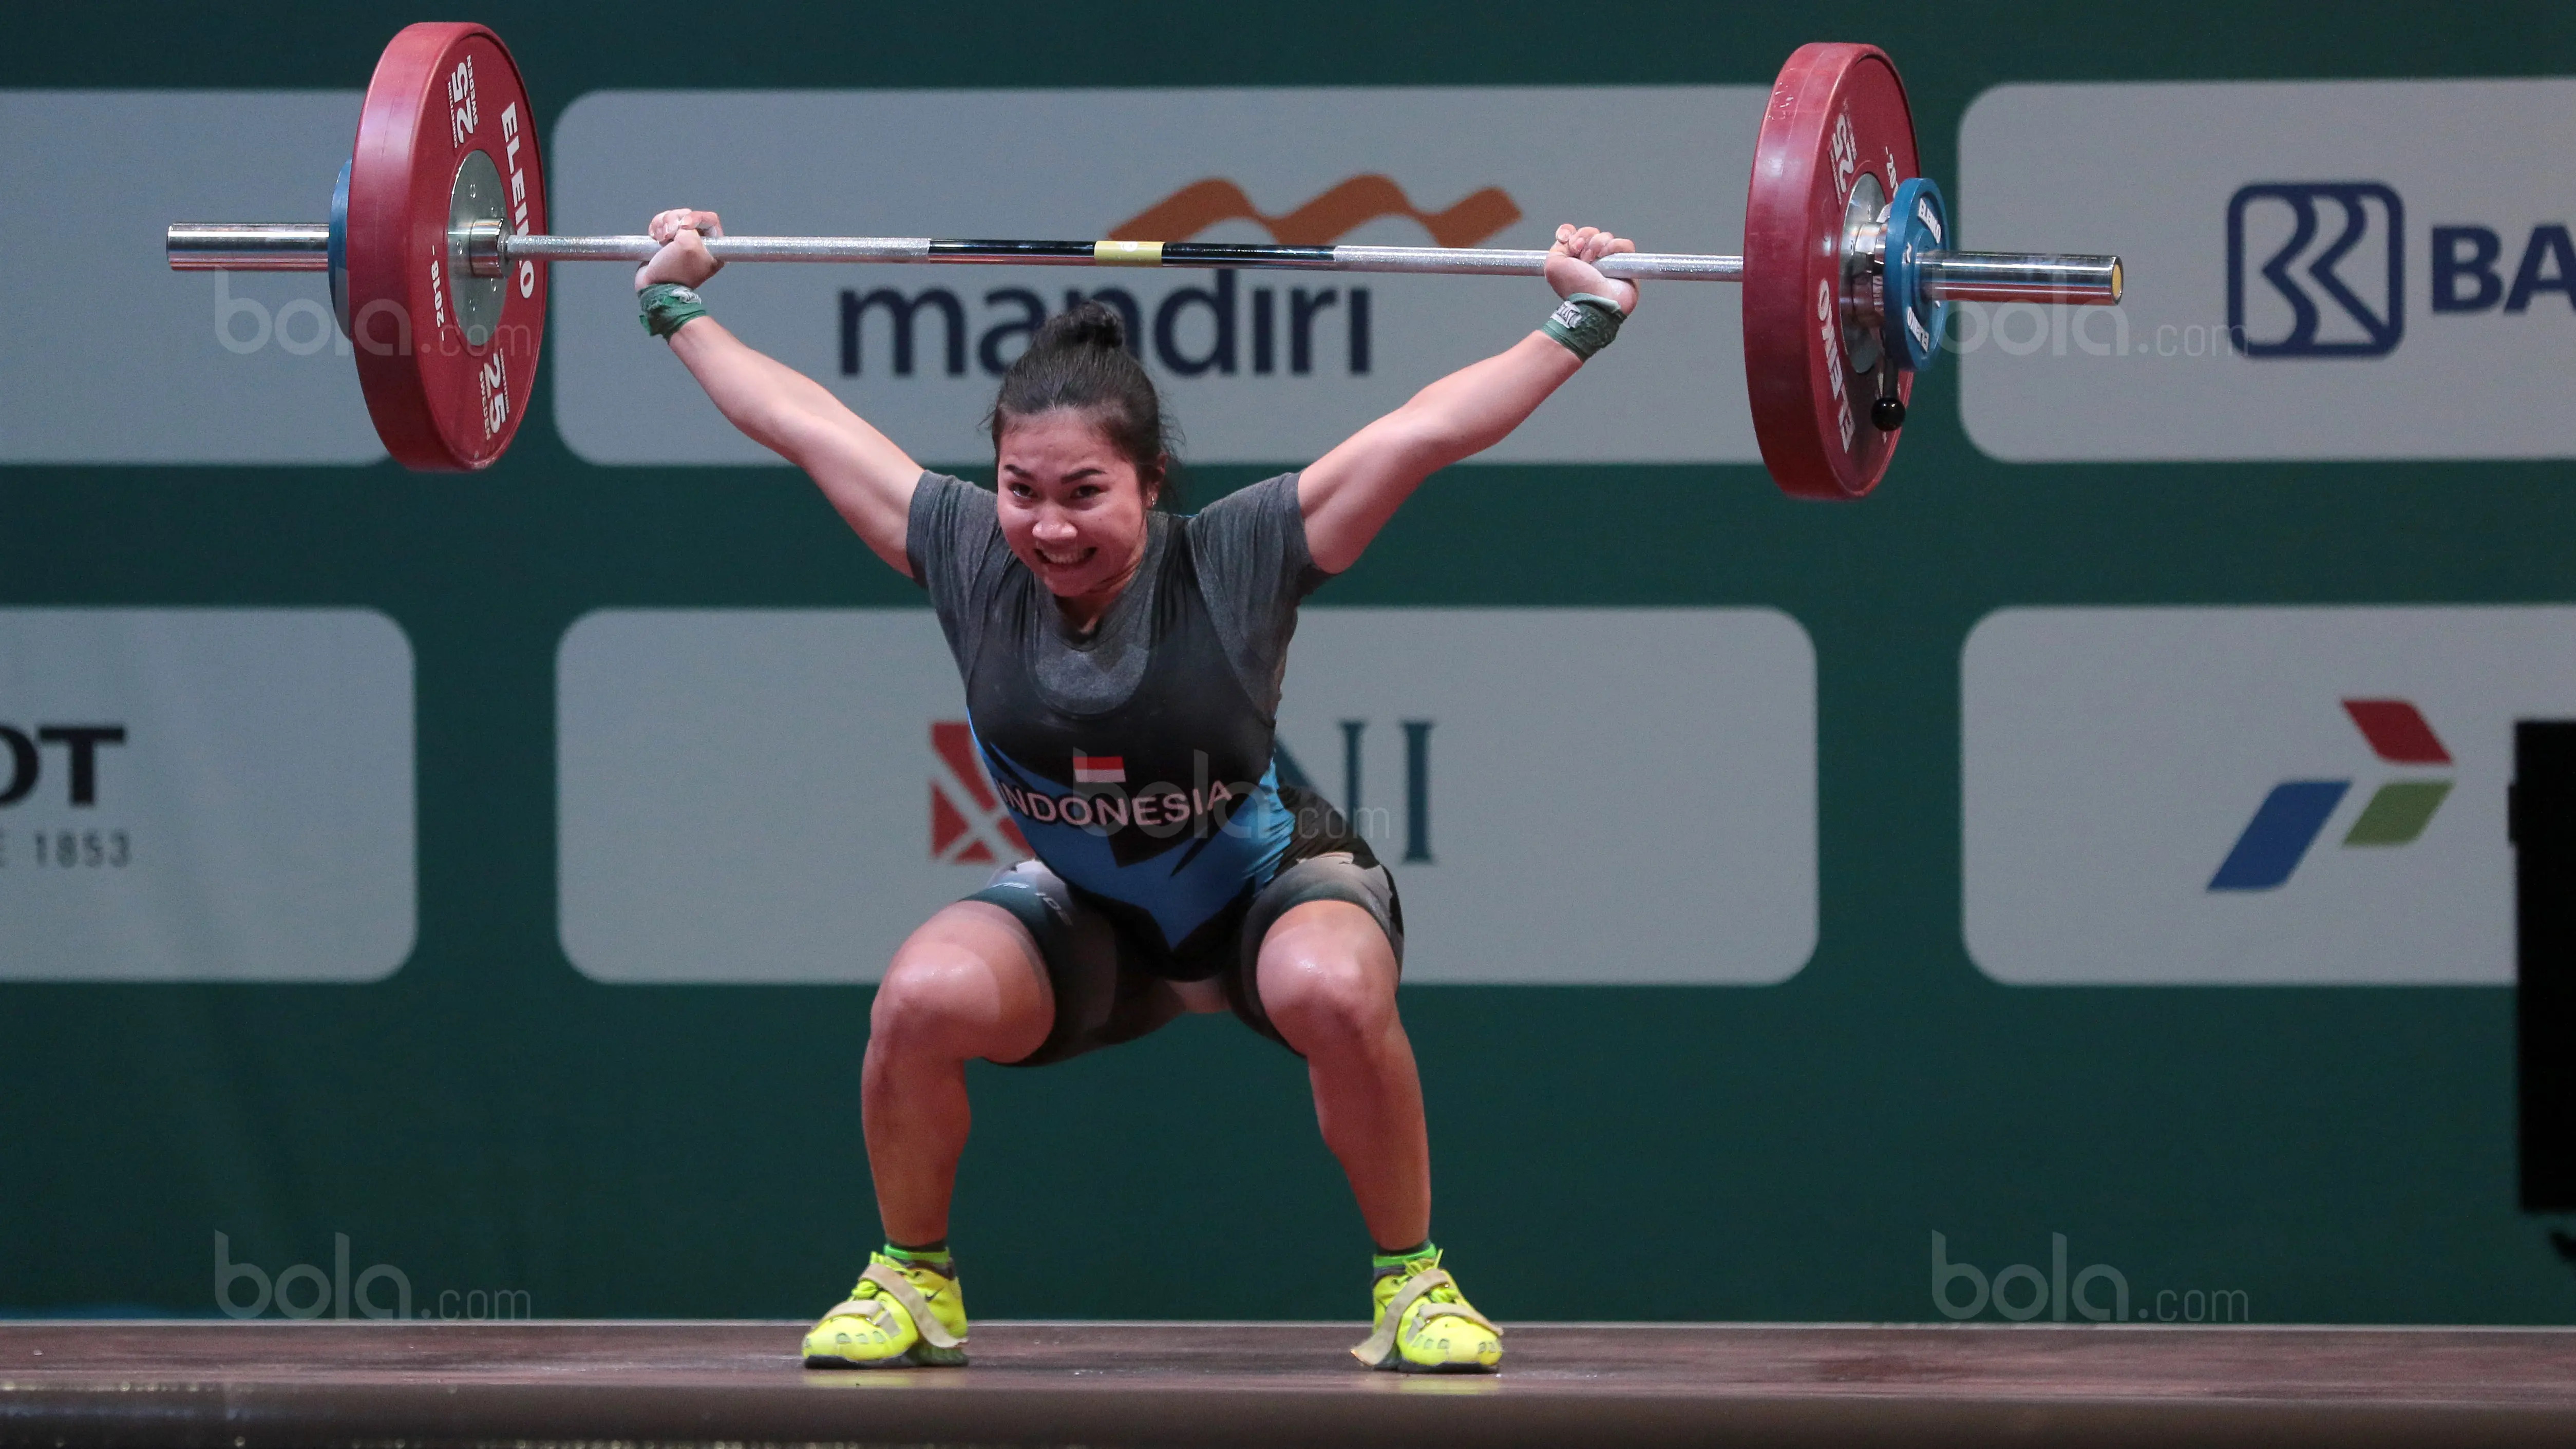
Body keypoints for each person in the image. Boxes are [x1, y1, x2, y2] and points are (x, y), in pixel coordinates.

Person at [633, 207, 1638, 1372]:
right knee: (916, 1004)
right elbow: (802, 423)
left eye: (1085, 492)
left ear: (1151, 483)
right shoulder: (965, 551)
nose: (1048, 526)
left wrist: (1583, 318)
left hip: (1265, 880)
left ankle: (1413, 1285)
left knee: (1332, 988)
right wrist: (677, 305)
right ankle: (914, 1283)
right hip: (1088, 912)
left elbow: (1422, 433)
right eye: (1021, 488)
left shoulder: (1239, 551)